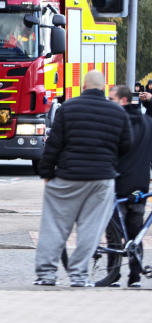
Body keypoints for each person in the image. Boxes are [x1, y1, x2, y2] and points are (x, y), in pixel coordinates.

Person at [33, 70, 132, 287]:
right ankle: (79, 276)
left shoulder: (68, 108)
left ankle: (46, 275)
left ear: (84, 87)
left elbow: (54, 145)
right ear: (104, 88)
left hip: (68, 177)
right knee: (91, 229)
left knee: (55, 226)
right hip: (101, 179)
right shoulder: (117, 113)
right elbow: (126, 145)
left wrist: (47, 173)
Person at [108, 84, 152, 287]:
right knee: (136, 231)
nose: (109, 102)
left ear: (123, 100)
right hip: (140, 186)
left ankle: (113, 274)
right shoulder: (148, 123)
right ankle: (135, 276)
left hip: (118, 185)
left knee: (115, 233)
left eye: (112, 99)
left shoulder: (116, 124)